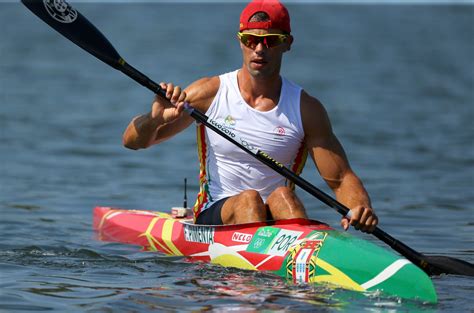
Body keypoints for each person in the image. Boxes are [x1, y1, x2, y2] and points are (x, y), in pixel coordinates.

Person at [122, 0, 378, 233]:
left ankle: (293, 269)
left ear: (287, 43)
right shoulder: (209, 93)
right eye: (250, 40)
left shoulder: (306, 109)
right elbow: (133, 142)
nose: (259, 49)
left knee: (283, 196)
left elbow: (342, 178)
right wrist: (154, 119)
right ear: (240, 40)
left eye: (270, 41)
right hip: (217, 213)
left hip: (275, 214)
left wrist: (360, 207)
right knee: (249, 199)